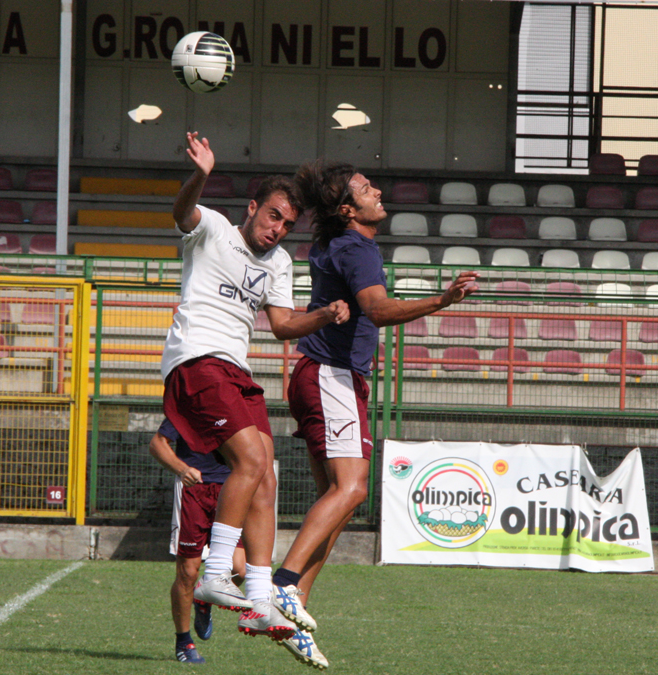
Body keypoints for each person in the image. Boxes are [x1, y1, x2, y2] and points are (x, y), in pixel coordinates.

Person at [269, 160, 480, 667]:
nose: (377, 191)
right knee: (352, 490)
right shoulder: (356, 248)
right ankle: (281, 585)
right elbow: (379, 310)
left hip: (324, 377)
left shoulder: (340, 244)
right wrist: (442, 300)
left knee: (338, 502)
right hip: (331, 376)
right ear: (347, 209)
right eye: (365, 188)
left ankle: (291, 611)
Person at [161, 133, 350, 646]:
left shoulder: (280, 263)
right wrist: (200, 175)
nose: (277, 229)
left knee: (265, 471)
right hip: (197, 358)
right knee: (249, 459)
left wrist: (323, 315)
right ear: (252, 208)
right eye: (272, 216)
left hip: (236, 369)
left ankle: (261, 600)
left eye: (287, 224)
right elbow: (182, 212)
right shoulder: (214, 230)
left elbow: (284, 326)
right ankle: (217, 572)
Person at [148, 417, 247, 664]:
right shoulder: (187, 404)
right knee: (187, 572)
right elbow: (158, 443)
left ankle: (203, 598)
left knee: (240, 569)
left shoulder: (238, 404)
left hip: (231, 489)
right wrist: (182, 469)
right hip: (194, 490)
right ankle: (184, 642)